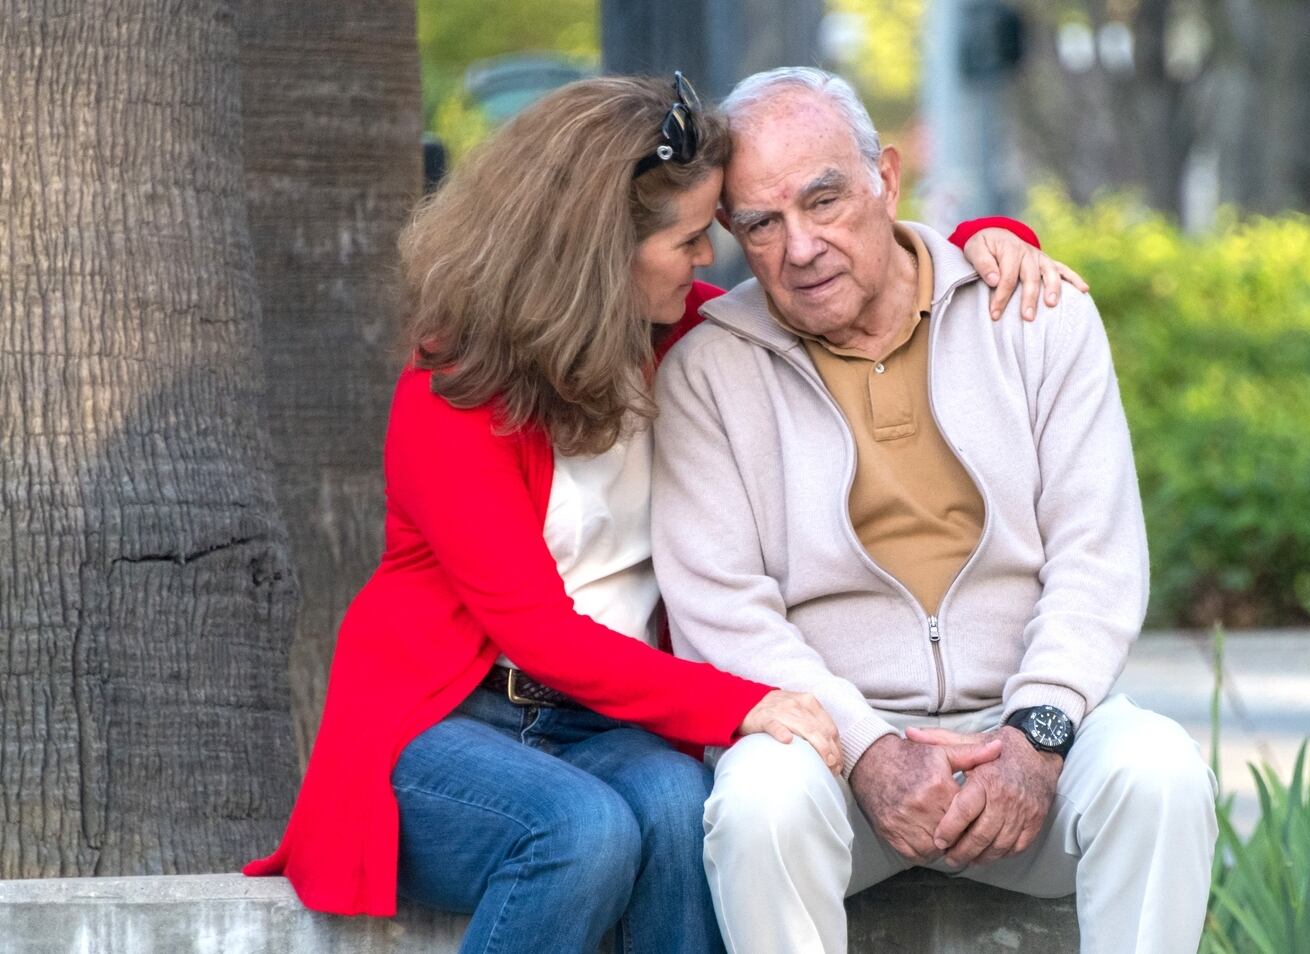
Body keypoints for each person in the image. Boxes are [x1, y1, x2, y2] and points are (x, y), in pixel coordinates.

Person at [243, 72, 1081, 954]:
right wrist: (745, 703)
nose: (708, 259)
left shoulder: (685, 335)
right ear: (602, 252)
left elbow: (852, 286)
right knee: (577, 834)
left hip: (608, 723)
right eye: (688, 238)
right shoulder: (453, 394)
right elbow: (541, 634)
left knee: (687, 816)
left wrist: (993, 244)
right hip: (448, 723)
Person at [651, 67, 1219, 954]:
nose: (800, 247)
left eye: (825, 199)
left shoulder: (1033, 314)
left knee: (1160, 773)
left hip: (1032, 735)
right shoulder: (708, 371)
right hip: (833, 756)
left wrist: (1037, 736)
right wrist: (869, 748)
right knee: (759, 802)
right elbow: (721, 608)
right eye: (762, 223)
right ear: (730, 233)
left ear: (886, 175)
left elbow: (1096, 558)